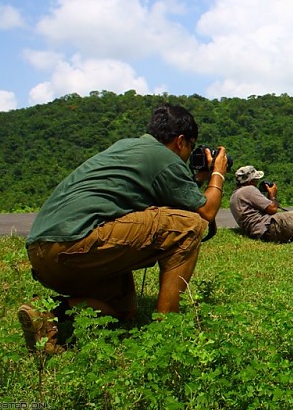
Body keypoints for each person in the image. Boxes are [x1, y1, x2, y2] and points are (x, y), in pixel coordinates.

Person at [21, 104, 229, 353]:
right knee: (189, 226)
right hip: (74, 245)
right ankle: (168, 331)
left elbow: (167, 196)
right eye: (191, 147)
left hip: (44, 255)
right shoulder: (164, 158)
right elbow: (205, 212)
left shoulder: (126, 147)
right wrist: (218, 173)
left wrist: (196, 180)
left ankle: (48, 312)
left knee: (122, 310)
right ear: (181, 141)